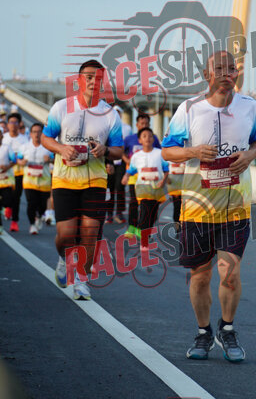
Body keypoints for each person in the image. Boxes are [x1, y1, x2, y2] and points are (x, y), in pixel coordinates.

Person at [162, 49, 256, 363]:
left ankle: (228, 329)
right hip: (197, 207)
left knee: (229, 273)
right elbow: (167, 151)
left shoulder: (250, 107)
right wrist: (192, 151)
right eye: (218, 68)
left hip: (236, 206)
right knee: (200, 277)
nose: (226, 73)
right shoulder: (189, 109)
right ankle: (204, 332)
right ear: (206, 74)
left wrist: (248, 156)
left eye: (231, 68)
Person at [41, 60, 124, 300]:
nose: (92, 81)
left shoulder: (110, 114)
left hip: (95, 181)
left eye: (98, 78)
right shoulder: (61, 107)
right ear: (78, 80)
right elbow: (46, 138)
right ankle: (63, 258)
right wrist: (61, 149)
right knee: (66, 235)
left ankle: (81, 280)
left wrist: (105, 150)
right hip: (65, 179)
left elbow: (119, 151)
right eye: (88, 77)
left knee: (90, 233)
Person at [122, 127, 168, 252]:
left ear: (153, 139)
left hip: (156, 188)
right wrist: (126, 176)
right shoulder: (136, 156)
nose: (148, 138)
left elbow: (166, 169)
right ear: (140, 140)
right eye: (144, 136)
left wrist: (164, 181)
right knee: (144, 211)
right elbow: (131, 170)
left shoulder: (160, 153)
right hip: (142, 188)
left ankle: (146, 232)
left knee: (153, 215)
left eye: (150, 136)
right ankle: (144, 239)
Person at [122, 114, 161, 239]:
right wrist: (128, 161)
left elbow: (160, 155)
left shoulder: (154, 138)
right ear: (137, 125)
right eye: (142, 123)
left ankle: (145, 228)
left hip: (150, 178)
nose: (144, 126)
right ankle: (132, 228)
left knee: (150, 205)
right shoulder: (129, 139)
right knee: (134, 202)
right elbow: (121, 151)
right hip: (134, 177)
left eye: (146, 124)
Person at [17, 122, 53, 234]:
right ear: (30, 134)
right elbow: (18, 159)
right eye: (34, 132)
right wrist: (21, 162)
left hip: (44, 181)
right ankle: (32, 224)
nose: (36, 134)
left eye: (39, 132)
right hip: (29, 181)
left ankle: (40, 216)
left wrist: (50, 160)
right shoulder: (24, 147)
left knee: (43, 205)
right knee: (31, 203)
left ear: (43, 133)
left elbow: (55, 160)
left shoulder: (48, 148)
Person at [2, 112, 29, 231]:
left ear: (19, 124)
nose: (13, 125)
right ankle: (7, 207)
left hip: (19, 172)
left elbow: (26, 154)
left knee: (16, 197)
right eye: (11, 122)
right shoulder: (4, 138)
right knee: (6, 197)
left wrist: (21, 159)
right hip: (5, 173)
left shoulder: (24, 139)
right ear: (8, 124)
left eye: (15, 122)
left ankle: (14, 221)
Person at [0, 128, 17, 234]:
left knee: (7, 200)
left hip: (6, 179)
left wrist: (6, 167)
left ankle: (6, 208)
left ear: (2, 136)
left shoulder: (7, 147)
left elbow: (14, 160)